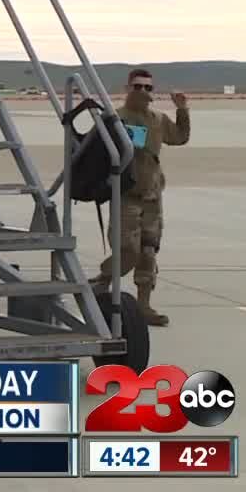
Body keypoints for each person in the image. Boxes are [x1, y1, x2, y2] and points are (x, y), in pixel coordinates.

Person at [91, 68, 190, 327]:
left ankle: (143, 306)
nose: (143, 92)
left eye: (148, 88)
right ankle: (101, 282)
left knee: (148, 252)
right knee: (128, 252)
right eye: (138, 87)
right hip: (126, 196)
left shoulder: (158, 119)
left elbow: (179, 138)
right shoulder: (115, 119)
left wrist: (182, 110)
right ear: (128, 88)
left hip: (152, 197)